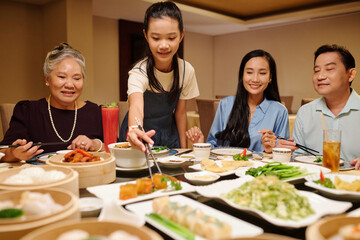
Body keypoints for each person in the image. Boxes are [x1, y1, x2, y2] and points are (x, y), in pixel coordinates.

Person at [0, 43, 103, 162]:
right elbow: (2, 151)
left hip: (88, 178)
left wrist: (95, 144)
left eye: (76, 78)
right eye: (62, 77)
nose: (70, 85)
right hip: (43, 177)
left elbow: (115, 147)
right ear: (47, 79)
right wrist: (14, 154)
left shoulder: (94, 111)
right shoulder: (27, 111)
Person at [119, 1, 199, 149]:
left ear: (181, 35)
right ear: (146, 35)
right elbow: (136, 105)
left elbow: (180, 113)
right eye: (156, 38)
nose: (164, 45)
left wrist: (183, 149)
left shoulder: (186, 71)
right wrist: (134, 129)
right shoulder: (139, 72)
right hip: (140, 134)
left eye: (171, 38)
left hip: (169, 135)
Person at [186, 49, 289, 153]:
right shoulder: (225, 105)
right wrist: (200, 144)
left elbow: (283, 155)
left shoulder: (279, 111)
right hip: (228, 168)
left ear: (270, 77)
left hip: (260, 168)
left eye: (262, 73)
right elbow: (214, 147)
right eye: (249, 72)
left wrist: (271, 150)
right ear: (242, 75)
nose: (255, 79)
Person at [277, 44, 359, 169]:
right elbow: (299, 157)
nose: (320, 76)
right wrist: (287, 152)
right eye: (316, 71)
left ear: (351, 74)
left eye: (329, 69)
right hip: (314, 182)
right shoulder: (305, 112)